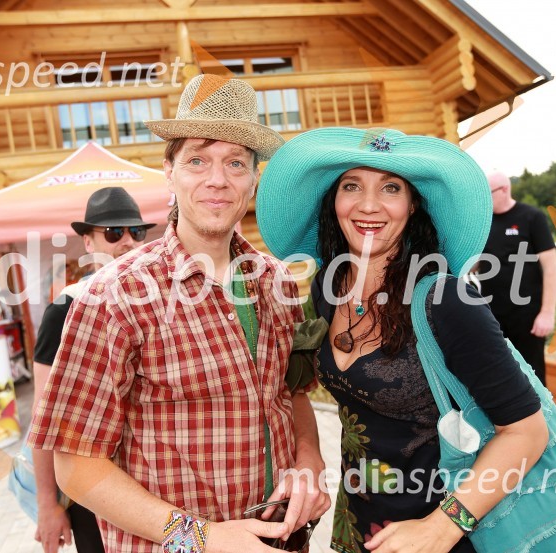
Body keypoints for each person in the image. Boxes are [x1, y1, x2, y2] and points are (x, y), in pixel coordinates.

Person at [28, 74, 330, 553]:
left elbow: (290, 395)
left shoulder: (276, 283)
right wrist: (203, 538)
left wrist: (309, 462)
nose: (218, 179)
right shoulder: (113, 297)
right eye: (197, 159)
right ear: (168, 171)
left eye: (236, 162)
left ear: (254, 179)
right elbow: (75, 467)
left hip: (282, 539)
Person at [256, 127, 550, 553]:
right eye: (351, 185)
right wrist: (309, 456)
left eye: (390, 188)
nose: (369, 204)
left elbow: (526, 433)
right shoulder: (326, 287)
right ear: (333, 202)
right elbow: (297, 386)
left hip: (449, 531)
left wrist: (444, 527)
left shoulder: (446, 300)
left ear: (413, 206)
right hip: (361, 525)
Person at [31, 186, 155, 553]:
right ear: (88, 243)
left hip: (156, 488)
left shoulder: (158, 300)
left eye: (137, 232)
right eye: (114, 233)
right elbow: (44, 418)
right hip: (92, 490)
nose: (128, 242)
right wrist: (47, 505)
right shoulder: (66, 308)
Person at [479, 170, 556, 385]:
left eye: (489, 194)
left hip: (527, 315)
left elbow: (552, 269)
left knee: (532, 377)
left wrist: (547, 313)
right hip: (491, 314)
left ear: (505, 189)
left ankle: (544, 418)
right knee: (497, 376)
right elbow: (476, 264)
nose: (485, 200)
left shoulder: (531, 217)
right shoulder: (483, 222)